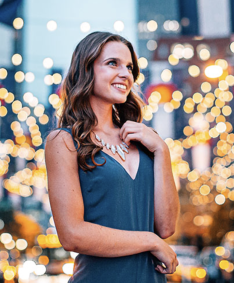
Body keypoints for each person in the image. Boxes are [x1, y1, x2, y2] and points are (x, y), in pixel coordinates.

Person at [45, 31, 180, 282]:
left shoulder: (145, 140)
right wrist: (149, 240)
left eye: (129, 67)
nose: (125, 74)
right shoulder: (63, 141)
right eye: (112, 63)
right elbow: (72, 235)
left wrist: (162, 151)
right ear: (86, 70)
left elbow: (166, 227)